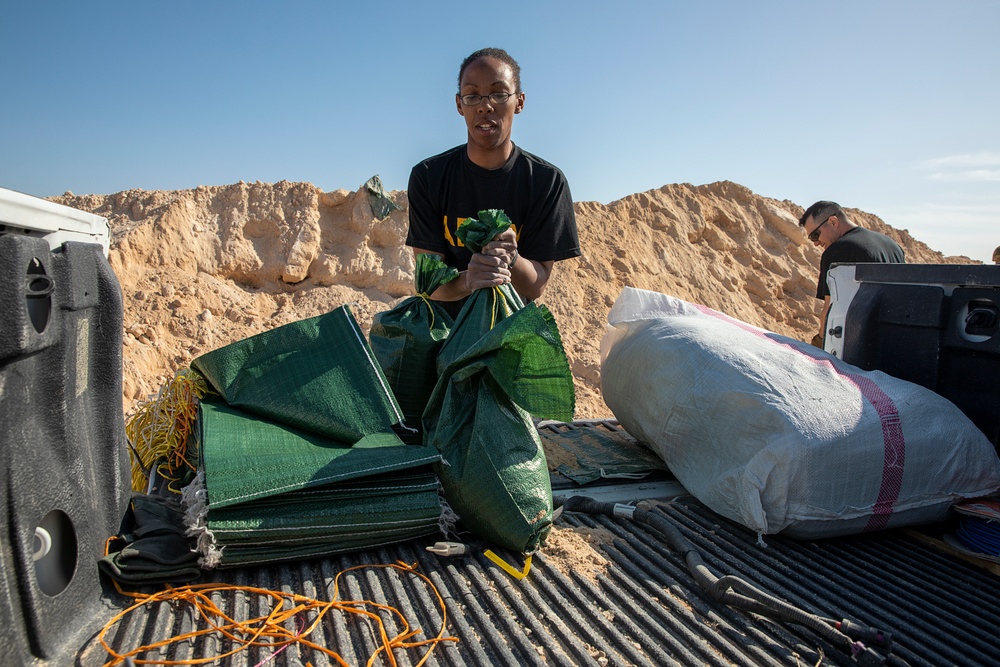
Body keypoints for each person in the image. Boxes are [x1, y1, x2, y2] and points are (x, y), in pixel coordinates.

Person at [406, 47, 581, 318]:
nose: (485, 105)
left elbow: (537, 284)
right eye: (472, 95)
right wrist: (467, 280)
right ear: (459, 104)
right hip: (444, 338)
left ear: (519, 102)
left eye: (499, 94)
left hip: (509, 335)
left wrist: (512, 258)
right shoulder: (428, 176)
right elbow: (429, 285)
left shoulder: (547, 182)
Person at [799, 200, 904, 346]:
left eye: (815, 235)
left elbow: (831, 308)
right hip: (894, 341)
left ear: (833, 222)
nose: (815, 243)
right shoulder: (892, 245)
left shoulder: (836, 251)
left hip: (859, 346)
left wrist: (820, 342)